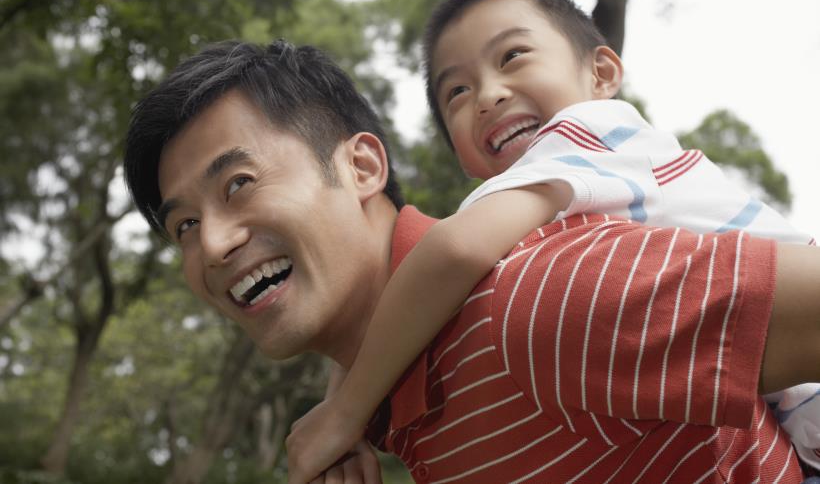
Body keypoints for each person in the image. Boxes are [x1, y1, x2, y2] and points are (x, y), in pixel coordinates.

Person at [123, 37, 818, 484]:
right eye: (185, 225)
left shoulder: (529, 304)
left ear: (362, 167)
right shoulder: (382, 417)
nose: (212, 245)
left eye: (238, 184)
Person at [284, 0, 819, 481]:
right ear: (464, 158)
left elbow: (454, 249)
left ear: (601, 74)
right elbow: (406, 288)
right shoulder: (580, 183)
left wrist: (344, 413)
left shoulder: (583, 133)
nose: (488, 95)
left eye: (512, 56)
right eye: (457, 93)